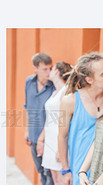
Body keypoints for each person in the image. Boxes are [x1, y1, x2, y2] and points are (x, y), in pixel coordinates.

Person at [58, 52, 103, 185]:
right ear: (89, 79)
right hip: (79, 170)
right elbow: (62, 136)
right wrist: (65, 170)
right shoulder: (69, 101)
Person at [36, 61, 72, 185]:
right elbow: (50, 120)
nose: (49, 72)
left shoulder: (66, 92)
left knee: (62, 181)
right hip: (50, 142)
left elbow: (68, 122)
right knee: (55, 180)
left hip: (59, 143)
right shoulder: (55, 92)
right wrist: (42, 139)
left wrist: (60, 149)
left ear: (56, 72)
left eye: (51, 69)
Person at [23, 52, 55, 185]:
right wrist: (27, 131)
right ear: (35, 69)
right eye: (45, 69)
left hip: (49, 139)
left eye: (50, 68)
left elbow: (54, 117)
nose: (49, 72)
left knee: (50, 175)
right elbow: (27, 107)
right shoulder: (29, 82)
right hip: (33, 136)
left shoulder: (54, 86)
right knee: (41, 172)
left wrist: (42, 138)